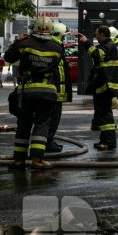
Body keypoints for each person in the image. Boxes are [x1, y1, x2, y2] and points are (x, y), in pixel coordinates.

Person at [4, 17, 63, 170]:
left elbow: (8, 57)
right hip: (47, 91)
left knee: (23, 124)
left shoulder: (24, 44)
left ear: (34, 28)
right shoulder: (57, 48)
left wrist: (19, 42)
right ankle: (37, 159)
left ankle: (19, 160)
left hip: (27, 91)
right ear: (50, 29)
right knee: (42, 124)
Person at [80, 26, 118, 151]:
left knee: (105, 115)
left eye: (96, 34)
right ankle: (104, 140)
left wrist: (86, 42)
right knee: (102, 114)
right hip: (102, 86)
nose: (96, 37)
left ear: (102, 34)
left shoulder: (108, 46)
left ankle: (109, 141)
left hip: (105, 86)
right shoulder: (106, 46)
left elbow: (96, 54)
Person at [46, 23, 72, 153]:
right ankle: (48, 143)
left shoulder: (56, 46)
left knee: (52, 118)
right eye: (63, 36)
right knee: (52, 118)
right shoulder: (55, 47)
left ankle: (49, 141)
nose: (64, 38)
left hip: (56, 91)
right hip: (54, 91)